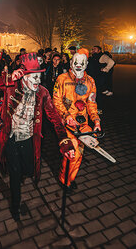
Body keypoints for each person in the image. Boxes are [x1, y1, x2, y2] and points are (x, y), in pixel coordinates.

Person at [0, 52, 75, 221]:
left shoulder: (42, 92)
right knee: (15, 173)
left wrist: (65, 140)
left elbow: (54, 117)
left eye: (39, 77)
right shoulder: (11, 85)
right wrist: (9, 77)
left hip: (29, 139)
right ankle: (15, 205)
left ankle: (20, 176)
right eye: (33, 78)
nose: (37, 81)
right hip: (10, 138)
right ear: (24, 76)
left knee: (28, 169)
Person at [53, 52, 101, 193]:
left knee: (79, 153)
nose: (78, 65)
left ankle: (70, 178)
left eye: (82, 63)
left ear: (86, 64)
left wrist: (96, 121)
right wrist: (66, 115)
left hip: (83, 124)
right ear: (71, 63)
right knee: (72, 153)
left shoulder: (90, 81)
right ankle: (64, 180)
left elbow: (92, 103)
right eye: (75, 62)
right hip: (67, 124)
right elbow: (56, 100)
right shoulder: (61, 79)